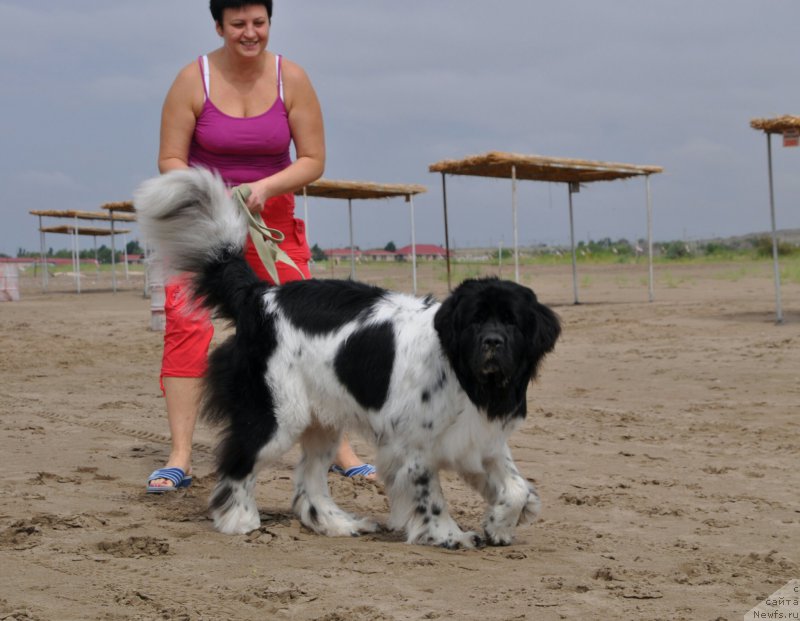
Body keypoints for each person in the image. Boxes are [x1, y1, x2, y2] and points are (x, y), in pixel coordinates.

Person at [147, 0, 375, 492]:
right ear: (218, 26)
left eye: (259, 23)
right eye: (238, 25)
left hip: (272, 225)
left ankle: (339, 450)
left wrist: (266, 188)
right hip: (206, 224)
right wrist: (210, 192)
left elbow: (313, 158)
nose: (250, 34)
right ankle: (180, 456)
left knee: (309, 331)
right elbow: (170, 157)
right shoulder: (193, 80)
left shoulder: (291, 78)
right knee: (186, 327)